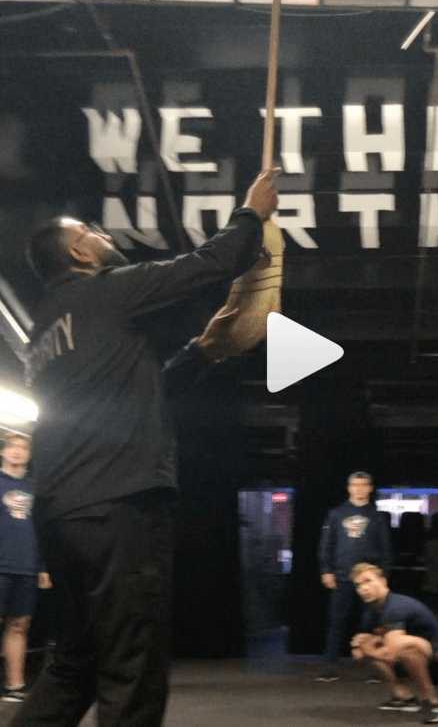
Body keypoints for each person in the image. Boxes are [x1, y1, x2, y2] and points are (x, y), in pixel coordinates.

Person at [13, 170, 279, 727]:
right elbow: (206, 265)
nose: (103, 234)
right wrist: (252, 213)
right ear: (80, 252)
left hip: (60, 516)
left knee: (73, 666)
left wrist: (202, 352)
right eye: (91, 230)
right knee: (132, 668)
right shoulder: (106, 290)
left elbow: (136, 394)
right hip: (119, 508)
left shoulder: (44, 333)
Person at [350, 563, 438, 725]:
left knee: (405, 647)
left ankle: (431, 703)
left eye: (368, 581)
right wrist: (360, 647)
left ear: (383, 581)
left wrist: (369, 650)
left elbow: (391, 653)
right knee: (377, 645)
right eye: (358, 585)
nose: (363, 588)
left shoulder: (397, 605)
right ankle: (405, 698)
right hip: (409, 663)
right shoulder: (369, 614)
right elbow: (359, 655)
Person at [316, 471, 392, 681]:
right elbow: (326, 544)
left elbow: (386, 549)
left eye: (363, 484)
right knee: (336, 622)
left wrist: (384, 576)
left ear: (370, 488)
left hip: (370, 579)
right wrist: (326, 570)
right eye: (355, 485)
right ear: (349, 488)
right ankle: (329, 667)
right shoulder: (336, 514)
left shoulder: (377, 516)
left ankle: (376, 668)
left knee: (371, 623)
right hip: (342, 576)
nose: (359, 488)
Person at [0, 433, 51, 704]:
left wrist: (42, 566)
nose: (17, 451)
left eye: (23, 448)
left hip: (26, 566)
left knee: (20, 625)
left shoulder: (34, 488)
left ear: (29, 455)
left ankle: (14, 686)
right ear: (3, 452)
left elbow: (41, 529)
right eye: (12, 447)